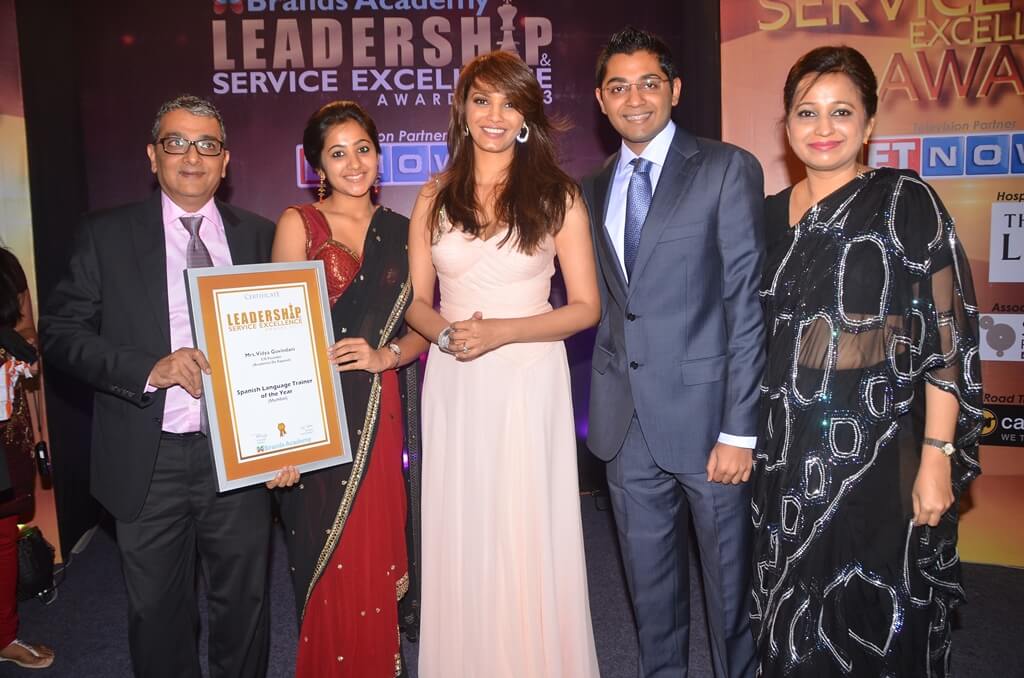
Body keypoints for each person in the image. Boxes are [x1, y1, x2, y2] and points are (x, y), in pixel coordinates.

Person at [751, 46, 982, 677]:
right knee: (790, 616)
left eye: (841, 112)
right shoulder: (767, 216)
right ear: (787, 125)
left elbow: (946, 337)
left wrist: (937, 454)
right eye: (807, 112)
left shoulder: (907, 200)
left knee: (876, 617)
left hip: (879, 449)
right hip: (786, 452)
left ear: (870, 124)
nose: (823, 129)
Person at [40, 95, 287, 678]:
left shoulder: (262, 237)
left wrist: (287, 443)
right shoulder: (106, 234)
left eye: (208, 145)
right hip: (148, 459)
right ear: (153, 157)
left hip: (240, 458)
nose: (192, 156)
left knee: (245, 608)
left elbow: (288, 346)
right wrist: (149, 368)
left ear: (226, 162)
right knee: (156, 614)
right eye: (176, 142)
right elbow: (60, 331)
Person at [406, 50, 601, 678]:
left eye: (508, 102)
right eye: (481, 100)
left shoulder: (557, 195)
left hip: (526, 375)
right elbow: (415, 301)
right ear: (462, 111)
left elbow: (586, 307)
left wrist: (502, 334)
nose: (494, 114)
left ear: (526, 116)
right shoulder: (433, 195)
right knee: (462, 525)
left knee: (523, 526)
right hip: (456, 378)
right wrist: (446, 337)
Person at [584, 27, 765, 678]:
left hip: (710, 423)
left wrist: (739, 430)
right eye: (619, 86)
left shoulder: (725, 167)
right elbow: (608, 303)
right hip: (625, 424)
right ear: (600, 100)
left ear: (675, 90)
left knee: (730, 598)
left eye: (649, 83)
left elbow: (746, 304)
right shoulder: (592, 185)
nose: (635, 98)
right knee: (649, 598)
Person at [271, 100, 426, 677]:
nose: (353, 162)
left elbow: (420, 329)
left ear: (380, 156)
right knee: (326, 553)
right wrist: (281, 439)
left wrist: (385, 355)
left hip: (378, 410)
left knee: (372, 552)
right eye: (337, 153)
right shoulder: (299, 225)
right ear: (317, 166)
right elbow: (278, 334)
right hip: (316, 416)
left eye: (363, 148)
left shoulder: (404, 232)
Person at [0, 247, 54, 670]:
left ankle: (4, 635)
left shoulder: (6, 265)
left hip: (4, 430)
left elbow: (30, 335)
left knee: (2, 534)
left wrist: (12, 348)